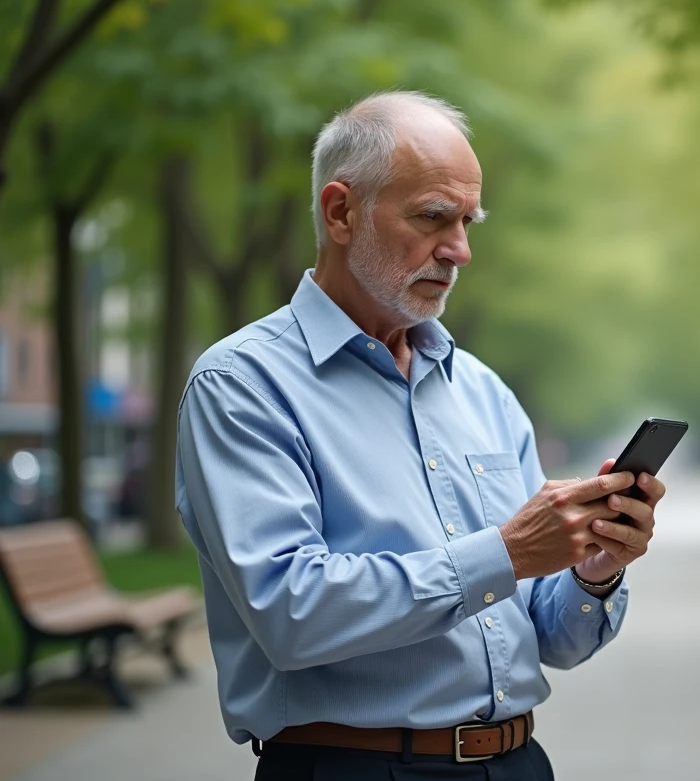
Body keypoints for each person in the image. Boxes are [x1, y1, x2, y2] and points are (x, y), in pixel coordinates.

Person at [175, 91, 667, 780]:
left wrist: (594, 569)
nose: (460, 249)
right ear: (340, 211)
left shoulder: (484, 392)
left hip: (519, 763)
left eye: (469, 221)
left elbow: (550, 636)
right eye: (434, 217)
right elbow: (292, 612)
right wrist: (506, 552)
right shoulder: (242, 385)